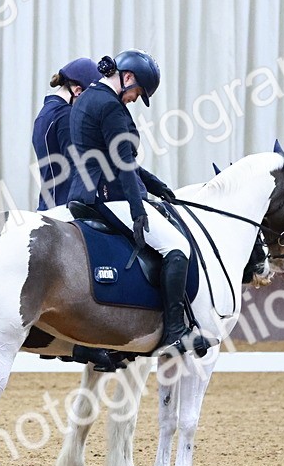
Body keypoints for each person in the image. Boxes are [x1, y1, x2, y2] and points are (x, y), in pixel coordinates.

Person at [67, 50, 210, 355]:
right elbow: (124, 164)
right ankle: (174, 331)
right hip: (110, 196)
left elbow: (112, 156)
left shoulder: (87, 99)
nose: (134, 99)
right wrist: (137, 209)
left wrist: (156, 185)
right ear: (127, 77)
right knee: (177, 247)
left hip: (83, 192)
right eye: (137, 93)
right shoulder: (112, 107)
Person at [31, 57, 102, 210]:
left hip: (47, 205)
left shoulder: (44, 114)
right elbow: (78, 165)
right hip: (65, 210)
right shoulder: (66, 115)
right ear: (77, 91)